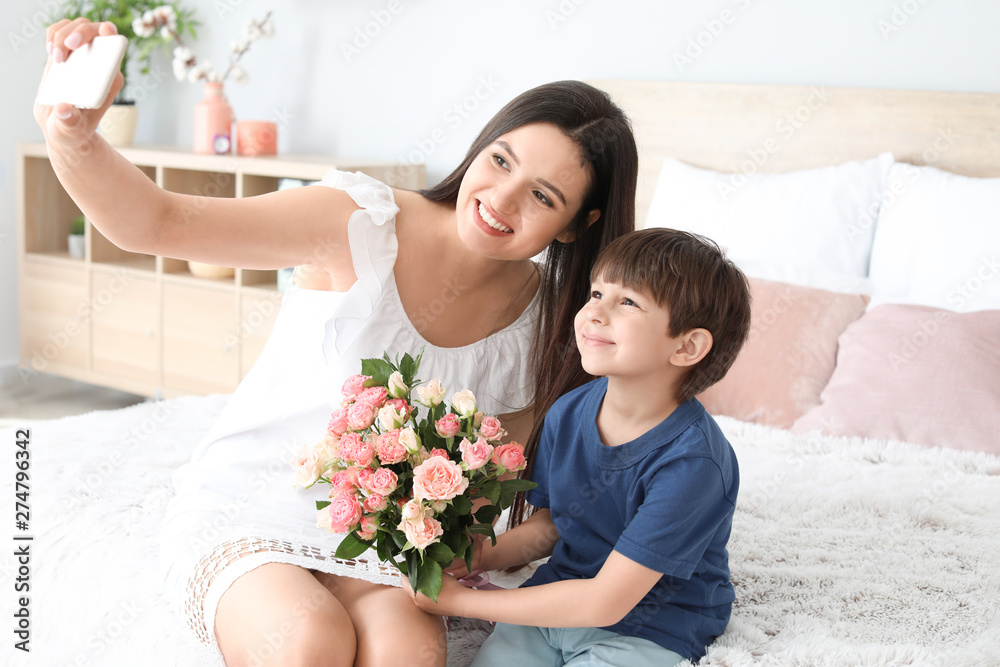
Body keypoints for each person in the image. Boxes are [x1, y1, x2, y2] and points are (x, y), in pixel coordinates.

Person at [36, 18, 638, 667]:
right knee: (308, 642)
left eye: (542, 196)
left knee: (408, 656)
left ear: (579, 225)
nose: (502, 198)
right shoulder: (361, 220)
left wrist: (470, 544)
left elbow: (509, 466)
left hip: (387, 544)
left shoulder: (562, 325)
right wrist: (73, 134)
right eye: (500, 160)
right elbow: (158, 221)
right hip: (254, 505)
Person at [404, 228, 753, 666]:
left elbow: (606, 602)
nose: (594, 312)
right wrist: (476, 555)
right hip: (553, 605)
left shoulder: (694, 464)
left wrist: (458, 603)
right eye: (596, 293)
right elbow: (552, 527)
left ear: (687, 346)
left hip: (652, 627)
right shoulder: (568, 413)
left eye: (627, 302)